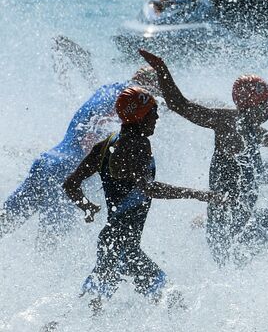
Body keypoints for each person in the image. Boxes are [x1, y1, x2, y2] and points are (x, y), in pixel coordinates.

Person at [139, 50, 268, 265]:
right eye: (266, 102)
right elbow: (181, 106)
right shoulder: (228, 123)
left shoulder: (250, 128)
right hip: (233, 233)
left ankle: (201, 222)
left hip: (234, 225)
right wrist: (162, 70)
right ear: (254, 105)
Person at [62, 87, 213, 311]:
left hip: (115, 244)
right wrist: (198, 194)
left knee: (88, 309)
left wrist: (87, 207)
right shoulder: (137, 145)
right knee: (172, 303)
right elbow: (150, 189)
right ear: (140, 115)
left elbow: (71, 184)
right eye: (153, 111)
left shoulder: (106, 144)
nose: (157, 117)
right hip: (123, 248)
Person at [1, 64, 159, 238]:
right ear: (147, 86)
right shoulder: (129, 101)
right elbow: (91, 134)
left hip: (46, 162)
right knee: (47, 251)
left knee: (5, 222)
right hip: (62, 172)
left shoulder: (108, 90)